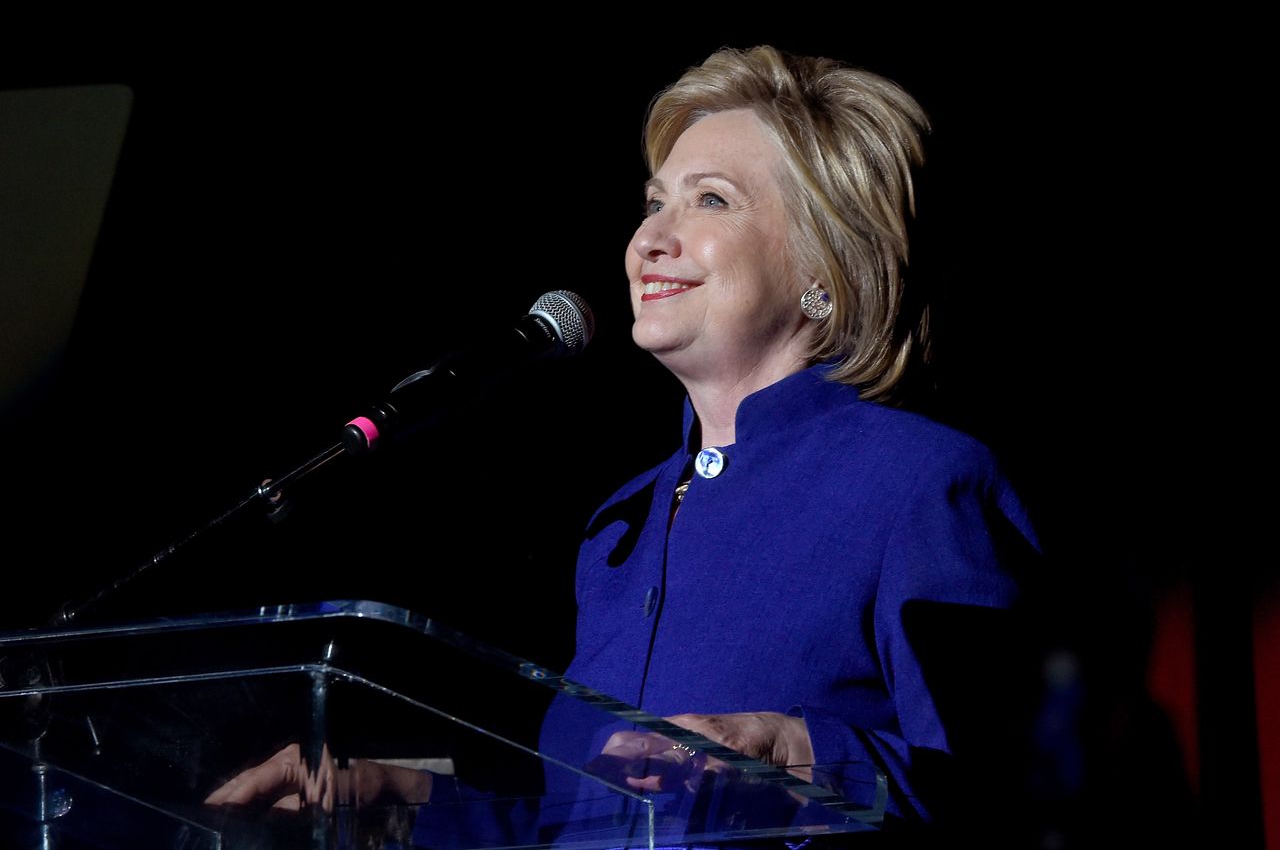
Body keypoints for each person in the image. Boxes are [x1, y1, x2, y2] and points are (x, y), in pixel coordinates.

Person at [207, 44, 1039, 841]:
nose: (650, 239)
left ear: (827, 264)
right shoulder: (621, 526)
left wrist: (799, 752)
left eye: (709, 200)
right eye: (653, 203)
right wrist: (400, 799)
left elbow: (1012, 795)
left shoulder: (924, 484)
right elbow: (586, 824)